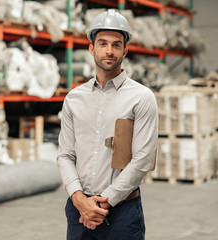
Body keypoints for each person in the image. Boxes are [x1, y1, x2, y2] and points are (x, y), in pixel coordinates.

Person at [57, 9, 158, 240]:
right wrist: (79, 200)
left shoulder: (141, 98)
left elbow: (142, 159)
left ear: (125, 50)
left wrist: (103, 203)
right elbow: (65, 155)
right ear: (91, 48)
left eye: (116, 44)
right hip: (79, 210)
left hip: (121, 213)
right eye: (102, 43)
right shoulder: (74, 98)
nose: (109, 51)